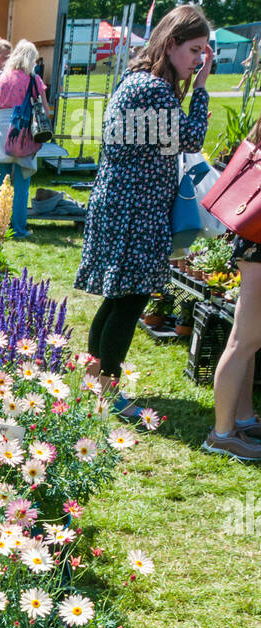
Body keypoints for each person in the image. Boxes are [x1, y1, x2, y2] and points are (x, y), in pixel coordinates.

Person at [75, 6, 212, 418]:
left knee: (119, 298)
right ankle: (104, 393)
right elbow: (190, 138)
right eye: (194, 50)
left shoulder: (139, 81)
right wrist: (201, 88)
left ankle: (94, 385)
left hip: (125, 203)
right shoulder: (152, 89)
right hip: (134, 208)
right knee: (130, 301)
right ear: (170, 45)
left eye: (204, 52)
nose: (199, 60)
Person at [202, 114, 261, 461]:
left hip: (252, 244)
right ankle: (221, 434)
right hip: (258, 248)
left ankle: (241, 418)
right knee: (244, 341)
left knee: (248, 340)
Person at [0, 40, 49, 239]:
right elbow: (44, 109)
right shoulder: (33, 79)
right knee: (21, 184)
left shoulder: (0, 79)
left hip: (0, 133)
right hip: (23, 133)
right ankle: (19, 229)